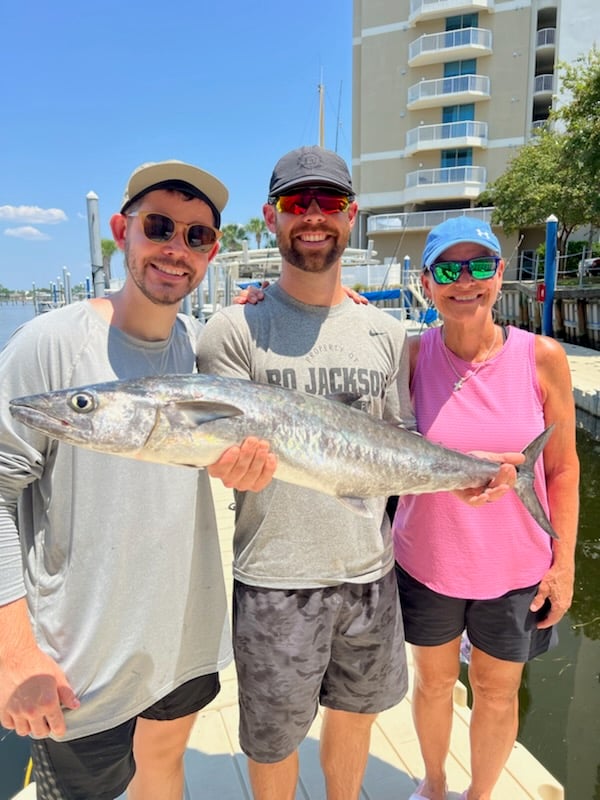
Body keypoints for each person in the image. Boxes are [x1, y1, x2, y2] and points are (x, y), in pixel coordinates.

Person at [0, 159, 276, 800]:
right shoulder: (47, 345)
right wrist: (13, 651)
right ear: (123, 231)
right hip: (76, 656)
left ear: (212, 253)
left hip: (180, 638)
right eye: (159, 227)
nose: (176, 249)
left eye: (197, 236)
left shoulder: (203, 348)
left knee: (163, 773)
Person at [195, 145, 416, 800]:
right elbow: (222, 456)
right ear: (272, 217)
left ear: (352, 217)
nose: (313, 217)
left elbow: (400, 442)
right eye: (298, 203)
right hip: (276, 579)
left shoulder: (386, 331)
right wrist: (231, 468)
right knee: (274, 740)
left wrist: (469, 477)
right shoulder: (234, 328)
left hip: (371, 573)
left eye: (329, 203)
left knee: (354, 719)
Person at [392, 217, 580, 800]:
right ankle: (436, 782)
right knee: (433, 683)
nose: (464, 281)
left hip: (516, 568)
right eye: (449, 269)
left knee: (498, 692)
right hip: (427, 560)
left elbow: (564, 467)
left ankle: (479, 794)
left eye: (479, 266)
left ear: (500, 274)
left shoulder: (542, 356)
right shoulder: (411, 356)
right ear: (427, 283)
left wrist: (564, 561)